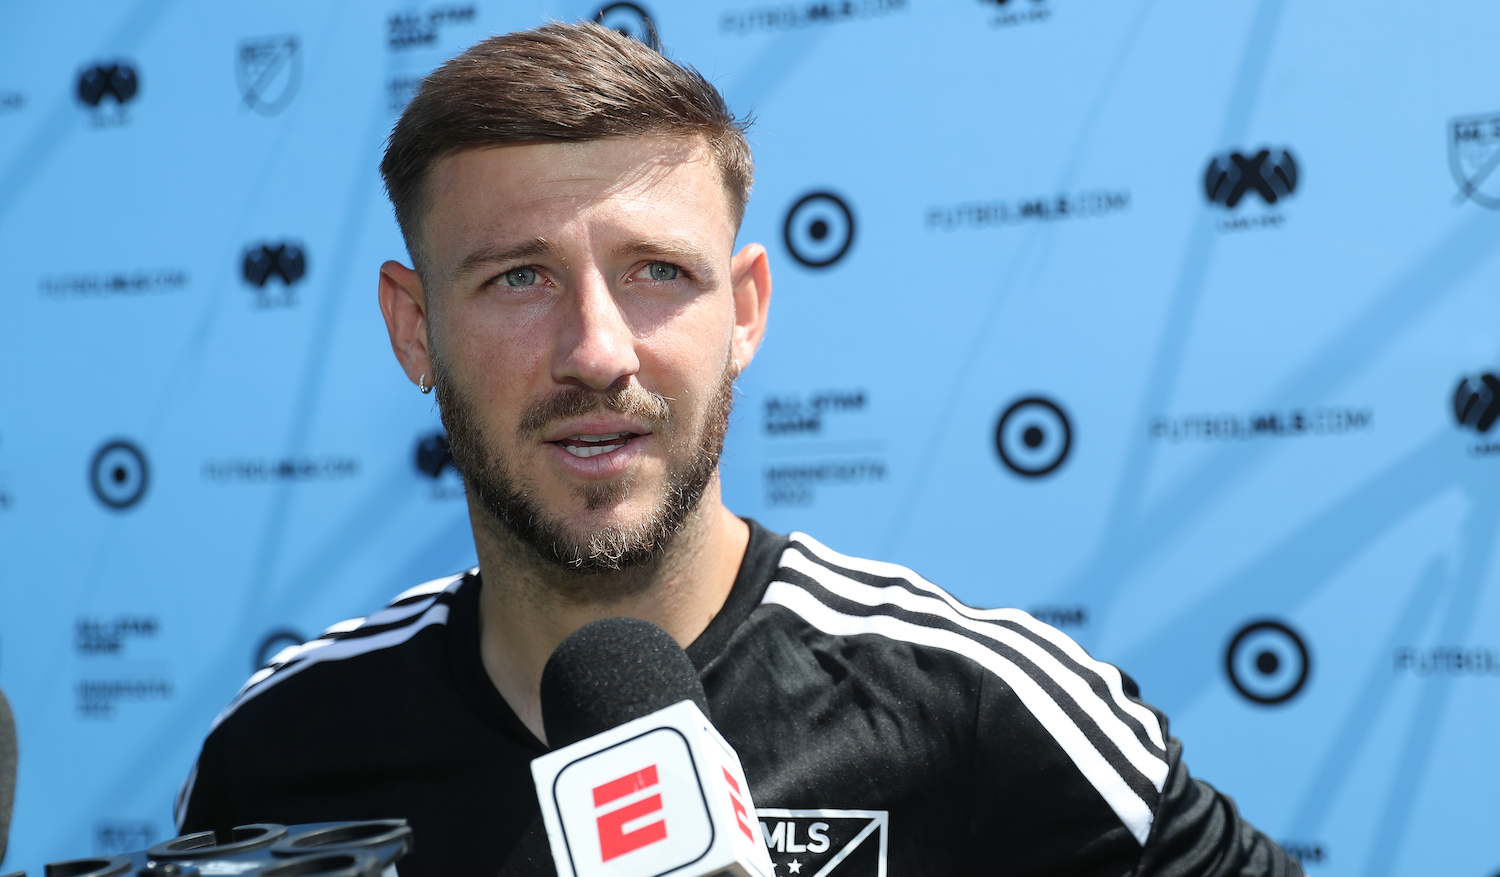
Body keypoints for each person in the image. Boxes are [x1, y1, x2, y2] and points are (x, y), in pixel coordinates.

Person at [176, 21, 1300, 877]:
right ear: (414, 327)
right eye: (519, 278)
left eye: (657, 272)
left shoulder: (974, 705)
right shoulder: (277, 751)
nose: (596, 350)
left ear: (748, 310)